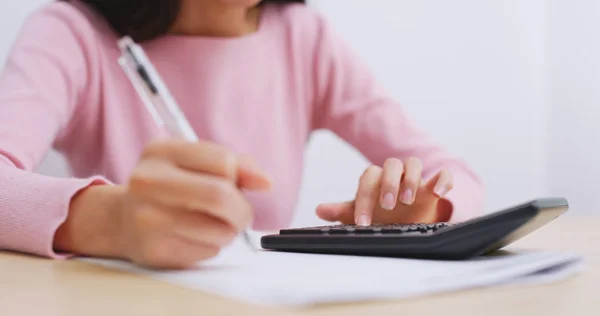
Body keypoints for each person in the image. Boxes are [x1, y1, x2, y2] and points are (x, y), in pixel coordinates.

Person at [0, 0, 484, 269]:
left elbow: (456, 176)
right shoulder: (70, 31)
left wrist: (426, 210)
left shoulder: (303, 36)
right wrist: (113, 222)